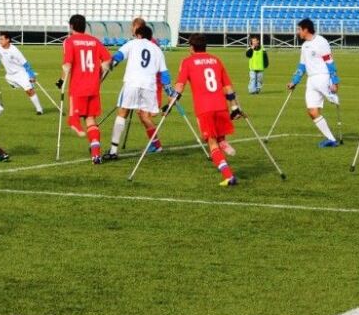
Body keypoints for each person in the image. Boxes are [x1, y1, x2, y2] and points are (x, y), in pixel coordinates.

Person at [173, 34, 244, 186]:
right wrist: (235, 108)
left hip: (204, 108)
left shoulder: (187, 61)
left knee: (211, 143)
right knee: (218, 137)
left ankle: (229, 176)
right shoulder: (216, 60)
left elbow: (180, 86)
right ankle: (223, 141)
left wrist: (170, 103)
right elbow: (228, 87)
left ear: (191, 47)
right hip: (221, 106)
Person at [107, 25, 174, 160]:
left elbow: (118, 56)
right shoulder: (157, 49)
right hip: (149, 86)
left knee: (122, 113)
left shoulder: (132, 43)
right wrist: (170, 93)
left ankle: (113, 151)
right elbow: (164, 74)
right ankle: (156, 144)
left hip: (132, 83)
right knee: (145, 116)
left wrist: (110, 65)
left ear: (138, 35)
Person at [56, 14, 111, 164]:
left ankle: (76, 125)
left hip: (78, 86)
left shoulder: (69, 41)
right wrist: (99, 76)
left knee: (74, 117)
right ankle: (96, 155)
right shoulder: (94, 41)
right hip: (93, 87)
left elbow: (67, 64)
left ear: (71, 26)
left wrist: (61, 81)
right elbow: (107, 61)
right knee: (91, 119)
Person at [286, 18, 341, 148]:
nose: (298, 32)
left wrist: (335, 81)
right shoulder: (304, 45)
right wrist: (294, 81)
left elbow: (329, 61)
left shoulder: (321, 41)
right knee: (312, 111)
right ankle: (331, 139)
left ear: (306, 30)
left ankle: (333, 97)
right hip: (311, 80)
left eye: (299, 29)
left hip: (323, 77)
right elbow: (302, 65)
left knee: (334, 100)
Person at [0, 32, 43, 114]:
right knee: (9, 79)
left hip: (21, 73)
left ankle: (39, 109)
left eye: (2, 39)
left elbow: (26, 64)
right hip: (9, 75)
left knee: (29, 91)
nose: (0, 41)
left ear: (8, 40)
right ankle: (17, 84)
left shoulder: (15, 51)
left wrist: (31, 75)